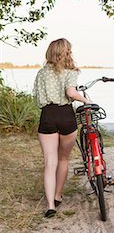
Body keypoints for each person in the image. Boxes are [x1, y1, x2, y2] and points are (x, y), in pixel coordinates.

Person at [33, 38, 90, 218]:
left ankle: (50, 205)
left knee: (50, 162)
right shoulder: (70, 72)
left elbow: (36, 98)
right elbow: (71, 93)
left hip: (48, 115)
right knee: (63, 159)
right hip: (66, 116)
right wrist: (87, 101)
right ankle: (58, 195)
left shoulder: (42, 73)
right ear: (67, 52)